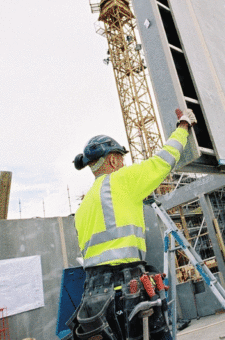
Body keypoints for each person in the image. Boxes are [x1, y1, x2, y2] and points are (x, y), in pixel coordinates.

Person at [67, 108, 197, 340]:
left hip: (93, 299)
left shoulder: (84, 206)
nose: (124, 165)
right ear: (113, 160)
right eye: (122, 160)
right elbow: (165, 159)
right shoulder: (123, 180)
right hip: (128, 290)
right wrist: (184, 126)